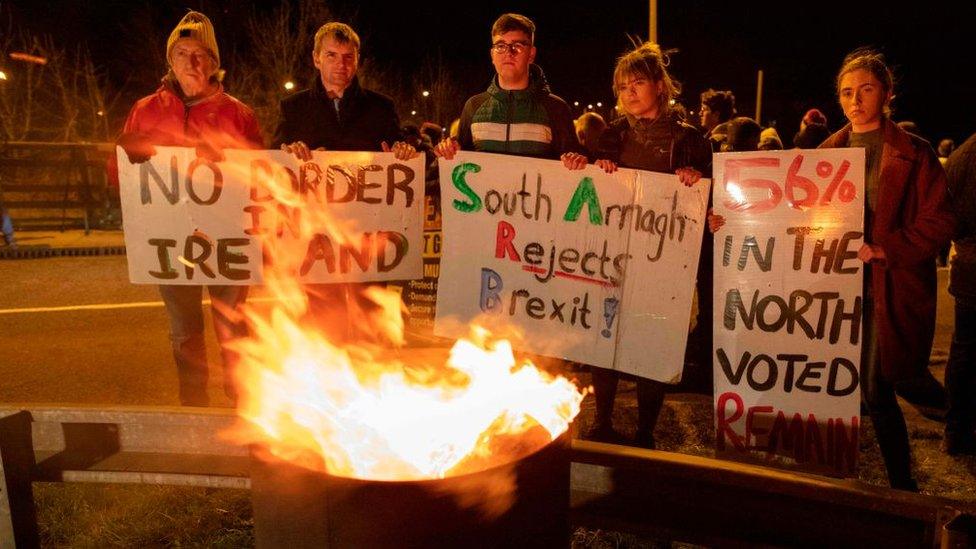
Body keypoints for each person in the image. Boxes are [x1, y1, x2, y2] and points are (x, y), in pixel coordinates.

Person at [820, 48, 956, 490]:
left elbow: (940, 220)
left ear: (887, 93)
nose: (854, 100)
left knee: (880, 387)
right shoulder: (826, 152)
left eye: (866, 89)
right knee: (851, 385)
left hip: (889, 286)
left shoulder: (914, 154)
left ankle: (902, 484)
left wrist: (886, 250)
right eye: (846, 92)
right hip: (836, 291)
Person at [115, 11, 263, 406]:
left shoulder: (238, 113)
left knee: (233, 324)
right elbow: (123, 184)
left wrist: (229, 159)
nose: (191, 62)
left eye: (200, 54)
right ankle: (193, 401)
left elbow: (262, 178)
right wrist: (126, 160)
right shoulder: (145, 109)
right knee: (184, 329)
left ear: (214, 62)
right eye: (182, 53)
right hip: (172, 237)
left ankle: (241, 398)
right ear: (170, 60)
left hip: (227, 236)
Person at [588, 41, 712, 449]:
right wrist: (597, 168)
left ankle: (645, 433)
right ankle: (601, 423)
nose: (628, 93)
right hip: (614, 257)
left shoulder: (692, 139)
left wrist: (697, 182)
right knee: (606, 339)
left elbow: (711, 197)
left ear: (660, 86)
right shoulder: (612, 135)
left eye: (637, 83)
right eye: (622, 87)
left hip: (663, 264)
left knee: (652, 344)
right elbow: (589, 186)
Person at [273, 21, 417, 343]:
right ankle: (334, 389)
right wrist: (289, 152)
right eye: (332, 55)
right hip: (319, 242)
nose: (341, 64)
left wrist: (404, 150)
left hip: (367, 240)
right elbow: (275, 161)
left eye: (348, 57)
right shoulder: (294, 108)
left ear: (358, 59)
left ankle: (370, 387)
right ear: (316, 58)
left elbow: (398, 152)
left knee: (370, 324)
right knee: (327, 326)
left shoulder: (381, 108)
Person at [434, 13, 583, 164]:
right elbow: (459, 161)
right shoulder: (473, 106)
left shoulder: (556, 108)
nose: (508, 53)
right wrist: (448, 149)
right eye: (500, 46)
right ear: (492, 55)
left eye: (517, 46)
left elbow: (574, 167)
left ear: (531, 54)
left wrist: (578, 161)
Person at [944, 131, 976, 455]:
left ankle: (956, 430)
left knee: (963, 349)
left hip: (966, 268)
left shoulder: (960, 155)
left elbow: (948, 218)